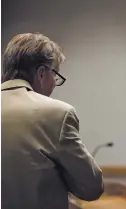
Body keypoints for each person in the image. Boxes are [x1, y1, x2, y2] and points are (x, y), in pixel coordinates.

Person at [1, 33, 104, 209]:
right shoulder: (57, 113)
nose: (54, 84)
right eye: (55, 76)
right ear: (41, 73)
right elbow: (91, 187)